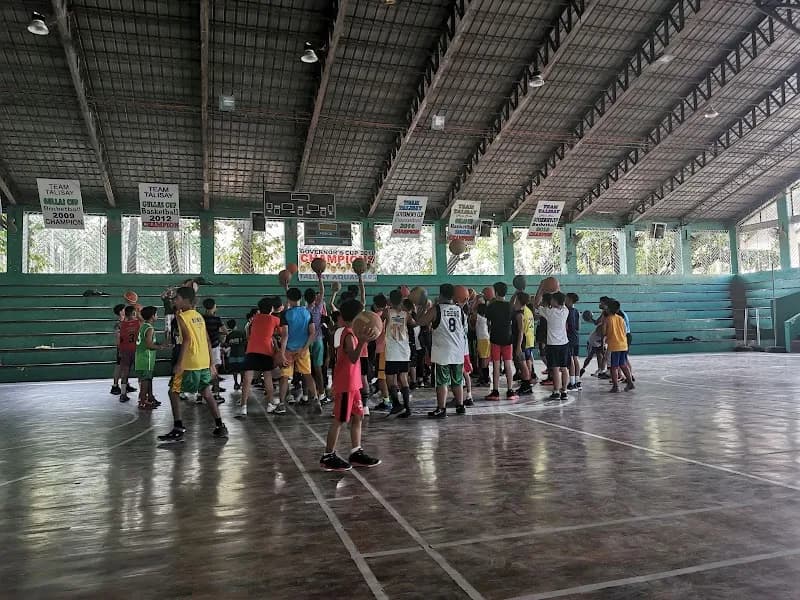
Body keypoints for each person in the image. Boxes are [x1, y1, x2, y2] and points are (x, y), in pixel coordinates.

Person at [158, 286, 228, 442]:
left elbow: (187, 340)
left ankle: (178, 428)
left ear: (185, 300)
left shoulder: (182, 317)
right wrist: (211, 363)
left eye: (177, 298)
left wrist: (179, 363)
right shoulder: (198, 316)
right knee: (206, 393)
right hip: (203, 361)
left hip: (189, 362)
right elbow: (208, 340)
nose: (175, 301)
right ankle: (220, 426)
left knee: (173, 392)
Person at [320, 298, 382, 472]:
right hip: (345, 384)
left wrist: (362, 340)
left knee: (358, 416)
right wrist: (362, 341)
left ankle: (356, 452)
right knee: (340, 419)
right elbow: (353, 358)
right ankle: (328, 456)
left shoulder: (353, 332)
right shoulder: (348, 334)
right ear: (357, 318)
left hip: (354, 384)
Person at [417, 283, 467, 419]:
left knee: (442, 381)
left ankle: (441, 408)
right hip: (457, 351)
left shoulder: (436, 309)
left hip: (443, 352)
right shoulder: (460, 310)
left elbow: (420, 322)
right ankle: (460, 406)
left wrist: (422, 307)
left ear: (440, 295)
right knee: (457, 380)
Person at [278, 287, 320, 414]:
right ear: (301, 298)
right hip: (303, 349)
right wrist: (304, 349)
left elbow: (285, 335)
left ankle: (281, 404)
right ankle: (316, 399)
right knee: (307, 375)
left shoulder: (285, 314)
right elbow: (312, 333)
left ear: (288, 299)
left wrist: (282, 353)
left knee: (284, 377)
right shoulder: (307, 313)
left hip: (289, 350)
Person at [239, 296, 283, 418]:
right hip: (266, 350)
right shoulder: (275, 319)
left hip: (251, 349)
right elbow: (282, 332)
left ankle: (243, 407)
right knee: (267, 377)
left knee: (247, 378)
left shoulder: (255, 318)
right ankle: (270, 404)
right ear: (272, 308)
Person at [484, 281, 517, 401]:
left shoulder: (492, 306)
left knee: (496, 365)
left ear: (496, 292)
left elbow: (488, 321)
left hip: (495, 338)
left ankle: (495, 391)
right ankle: (510, 391)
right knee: (508, 364)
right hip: (507, 338)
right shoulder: (510, 306)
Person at [383, 289, 414, 418]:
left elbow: (378, 322)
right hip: (404, 350)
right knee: (403, 378)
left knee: (390, 379)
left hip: (392, 350)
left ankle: (396, 404)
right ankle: (407, 408)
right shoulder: (406, 314)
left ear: (390, 300)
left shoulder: (387, 312)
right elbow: (414, 324)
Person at [536, 290, 570, 402]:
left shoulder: (549, 312)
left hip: (553, 345)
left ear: (554, 301)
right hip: (564, 344)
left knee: (555, 369)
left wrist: (541, 290)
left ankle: (556, 391)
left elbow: (536, 305)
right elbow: (562, 304)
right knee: (564, 368)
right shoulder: (566, 311)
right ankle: (564, 391)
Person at [134, 306, 169, 410]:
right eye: (156, 314)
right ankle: (143, 401)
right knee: (145, 381)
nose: (157, 316)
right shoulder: (150, 328)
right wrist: (160, 347)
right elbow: (149, 345)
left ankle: (149, 398)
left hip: (140, 358)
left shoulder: (143, 326)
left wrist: (160, 344)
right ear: (152, 316)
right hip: (146, 358)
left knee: (147, 379)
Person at [305, 274, 328, 404]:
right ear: (315, 298)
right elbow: (322, 291)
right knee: (318, 368)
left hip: (307, 341)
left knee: (306, 369)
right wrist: (319, 277)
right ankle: (322, 394)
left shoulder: (304, 310)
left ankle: (307, 394)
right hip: (318, 339)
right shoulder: (318, 308)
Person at [603, 299, 634, 393]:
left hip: (614, 346)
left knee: (614, 367)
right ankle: (630, 383)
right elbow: (624, 331)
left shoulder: (607, 319)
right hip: (623, 344)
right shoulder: (620, 318)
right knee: (623, 365)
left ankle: (615, 386)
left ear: (608, 309)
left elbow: (604, 332)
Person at [202, 298, 227, 403]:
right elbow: (225, 331)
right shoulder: (217, 319)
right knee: (214, 371)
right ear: (214, 306)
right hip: (214, 347)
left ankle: (200, 396)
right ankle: (216, 395)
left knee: (203, 372)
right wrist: (218, 334)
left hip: (203, 348)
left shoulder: (201, 318)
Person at [511, 292, 534, 396]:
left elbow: (520, 331)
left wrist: (518, 346)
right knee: (525, 363)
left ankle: (526, 385)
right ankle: (527, 384)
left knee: (522, 364)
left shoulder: (520, 314)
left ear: (519, 301)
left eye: (516, 299)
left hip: (521, 341)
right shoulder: (527, 310)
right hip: (527, 340)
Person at [117, 305, 140, 403]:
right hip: (136, 350)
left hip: (125, 350)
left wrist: (120, 351)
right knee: (140, 373)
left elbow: (119, 340)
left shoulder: (122, 325)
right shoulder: (138, 323)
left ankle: (123, 394)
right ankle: (142, 395)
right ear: (134, 313)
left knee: (125, 372)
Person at [110, 303, 134, 396]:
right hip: (122, 348)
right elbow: (118, 338)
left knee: (126, 367)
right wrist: (120, 349)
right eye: (124, 309)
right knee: (119, 366)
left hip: (129, 347)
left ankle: (125, 384)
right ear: (121, 312)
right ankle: (115, 386)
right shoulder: (119, 324)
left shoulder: (128, 321)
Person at [565, 292, 582, 391]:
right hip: (576, 337)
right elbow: (578, 326)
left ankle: (572, 383)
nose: (564, 300)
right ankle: (577, 381)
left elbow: (569, 326)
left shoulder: (568, 311)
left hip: (570, 338)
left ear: (570, 300)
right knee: (575, 358)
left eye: (566, 298)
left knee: (571, 359)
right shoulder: (576, 311)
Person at [224, 319, 246, 390]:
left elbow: (226, 344)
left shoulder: (229, 335)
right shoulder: (241, 333)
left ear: (228, 326)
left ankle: (236, 383)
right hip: (241, 354)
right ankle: (242, 382)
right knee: (242, 369)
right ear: (235, 325)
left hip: (232, 355)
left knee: (234, 370)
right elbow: (245, 342)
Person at [474, 303, 491, 386]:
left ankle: (485, 379)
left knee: (483, 360)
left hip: (483, 340)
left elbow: (472, 311)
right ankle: (484, 378)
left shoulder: (480, 318)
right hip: (484, 340)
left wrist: (475, 300)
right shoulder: (484, 318)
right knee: (483, 360)